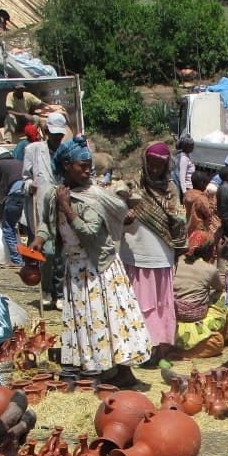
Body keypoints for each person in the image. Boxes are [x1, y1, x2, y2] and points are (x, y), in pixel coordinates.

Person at [39, 136, 151, 388]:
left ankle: (120, 371)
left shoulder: (93, 196)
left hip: (99, 268)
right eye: (83, 165)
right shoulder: (52, 194)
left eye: (89, 164)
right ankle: (91, 368)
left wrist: (67, 208)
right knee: (83, 319)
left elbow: (89, 232)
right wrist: (38, 241)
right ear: (67, 165)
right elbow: (46, 226)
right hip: (75, 269)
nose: (89, 169)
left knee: (109, 319)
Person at [119, 142, 186, 368]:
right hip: (135, 252)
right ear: (145, 163)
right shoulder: (131, 184)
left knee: (158, 305)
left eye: (160, 165)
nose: (155, 169)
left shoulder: (170, 188)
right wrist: (125, 215)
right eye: (152, 164)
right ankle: (137, 347)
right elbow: (115, 207)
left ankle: (156, 348)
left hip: (161, 254)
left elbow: (177, 218)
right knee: (137, 303)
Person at [23, 112, 68, 308]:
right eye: (54, 135)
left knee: (63, 253)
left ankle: (60, 292)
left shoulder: (66, 151)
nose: (57, 139)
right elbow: (24, 177)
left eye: (60, 136)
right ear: (46, 131)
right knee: (47, 252)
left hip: (63, 206)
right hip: (42, 206)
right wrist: (29, 185)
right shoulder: (33, 149)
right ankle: (47, 290)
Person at [172, 231, 227, 359]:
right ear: (209, 250)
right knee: (223, 295)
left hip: (174, 311)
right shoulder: (209, 269)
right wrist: (221, 257)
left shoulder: (176, 262)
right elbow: (221, 286)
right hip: (195, 315)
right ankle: (187, 352)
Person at [0, 146, 25, 265]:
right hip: (29, 193)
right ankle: (33, 258)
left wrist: (1, 211)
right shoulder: (20, 162)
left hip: (15, 194)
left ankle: (17, 260)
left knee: (8, 227)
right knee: (31, 227)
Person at [183, 168, 218, 242]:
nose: (206, 186)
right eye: (206, 184)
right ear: (202, 183)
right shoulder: (201, 198)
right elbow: (209, 213)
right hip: (199, 229)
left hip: (188, 226)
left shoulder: (187, 194)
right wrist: (212, 200)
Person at [172, 136, 195, 200]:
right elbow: (182, 176)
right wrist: (184, 192)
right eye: (192, 145)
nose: (193, 147)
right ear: (187, 146)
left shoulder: (187, 155)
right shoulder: (183, 158)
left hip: (189, 187)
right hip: (187, 188)